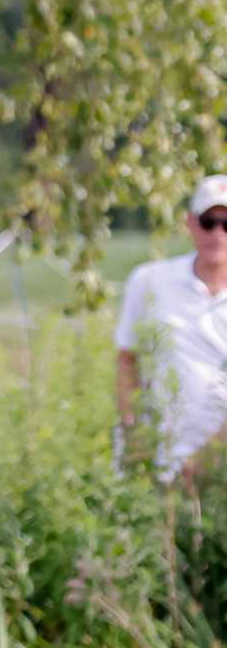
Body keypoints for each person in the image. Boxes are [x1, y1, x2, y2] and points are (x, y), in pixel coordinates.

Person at [116, 174, 227, 485]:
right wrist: (133, 434)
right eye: (208, 222)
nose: (218, 234)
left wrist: (210, 456)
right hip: (156, 461)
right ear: (190, 222)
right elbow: (127, 359)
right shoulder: (150, 281)